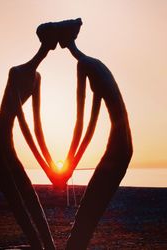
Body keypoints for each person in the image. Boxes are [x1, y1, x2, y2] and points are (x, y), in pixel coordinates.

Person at [57, 18, 133, 249]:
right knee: (92, 206)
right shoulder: (96, 63)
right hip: (124, 144)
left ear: (63, 39)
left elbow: (82, 124)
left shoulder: (84, 66)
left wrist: (69, 165)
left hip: (118, 146)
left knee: (89, 206)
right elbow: (92, 120)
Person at [0, 22, 58, 250]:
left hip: (9, 145)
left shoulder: (38, 78)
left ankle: (48, 246)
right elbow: (23, 122)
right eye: (51, 39)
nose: (54, 44)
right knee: (19, 203)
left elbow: (37, 127)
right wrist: (47, 168)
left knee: (31, 196)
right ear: (44, 41)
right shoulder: (15, 72)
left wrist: (51, 166)